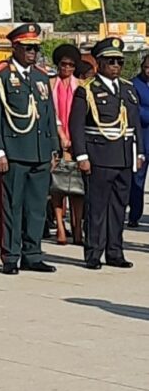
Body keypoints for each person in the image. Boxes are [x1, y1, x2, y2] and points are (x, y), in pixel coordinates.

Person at [0, 23, 59, 275]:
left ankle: (33, 254)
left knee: (36, 208)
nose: (32, 52)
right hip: (14, 151)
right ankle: (11, 256)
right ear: (15, 48)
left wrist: (53, 148)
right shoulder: (1, 75)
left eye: (35, 48)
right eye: (27, 48)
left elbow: (49, 114)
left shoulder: (40, 76)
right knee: (12, 207)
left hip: (39, 151)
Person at [70, 37, 144, 269]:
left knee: (119, 207)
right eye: (111, 61)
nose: (115, 66)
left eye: (119, 62)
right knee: (97, 207)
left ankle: (115, 252)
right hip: (99, 156)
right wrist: (81, 156)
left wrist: (140, 153)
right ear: (99, 63)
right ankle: (94, 253)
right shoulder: (87, 90)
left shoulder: (128, 88)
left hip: (124, 156)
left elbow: (135, 124)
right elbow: (76, 125)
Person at [50, 43, 84, 245]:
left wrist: (74, 139)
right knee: (57, 186)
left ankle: (78, 227)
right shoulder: (49, 84)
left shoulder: (81, 85)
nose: (67, 68)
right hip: (55, 140)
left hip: (76, 141)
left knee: (77, 187)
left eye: (71, 65)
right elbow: (50, 113)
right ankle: (60, 227)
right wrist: (61, 135)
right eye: (64, 64)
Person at [128, 53, 149, 227]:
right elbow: (135, 110)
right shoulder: (134, 84)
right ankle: (134, 215)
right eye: (147, 67)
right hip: (142, 138)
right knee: (137, 180)